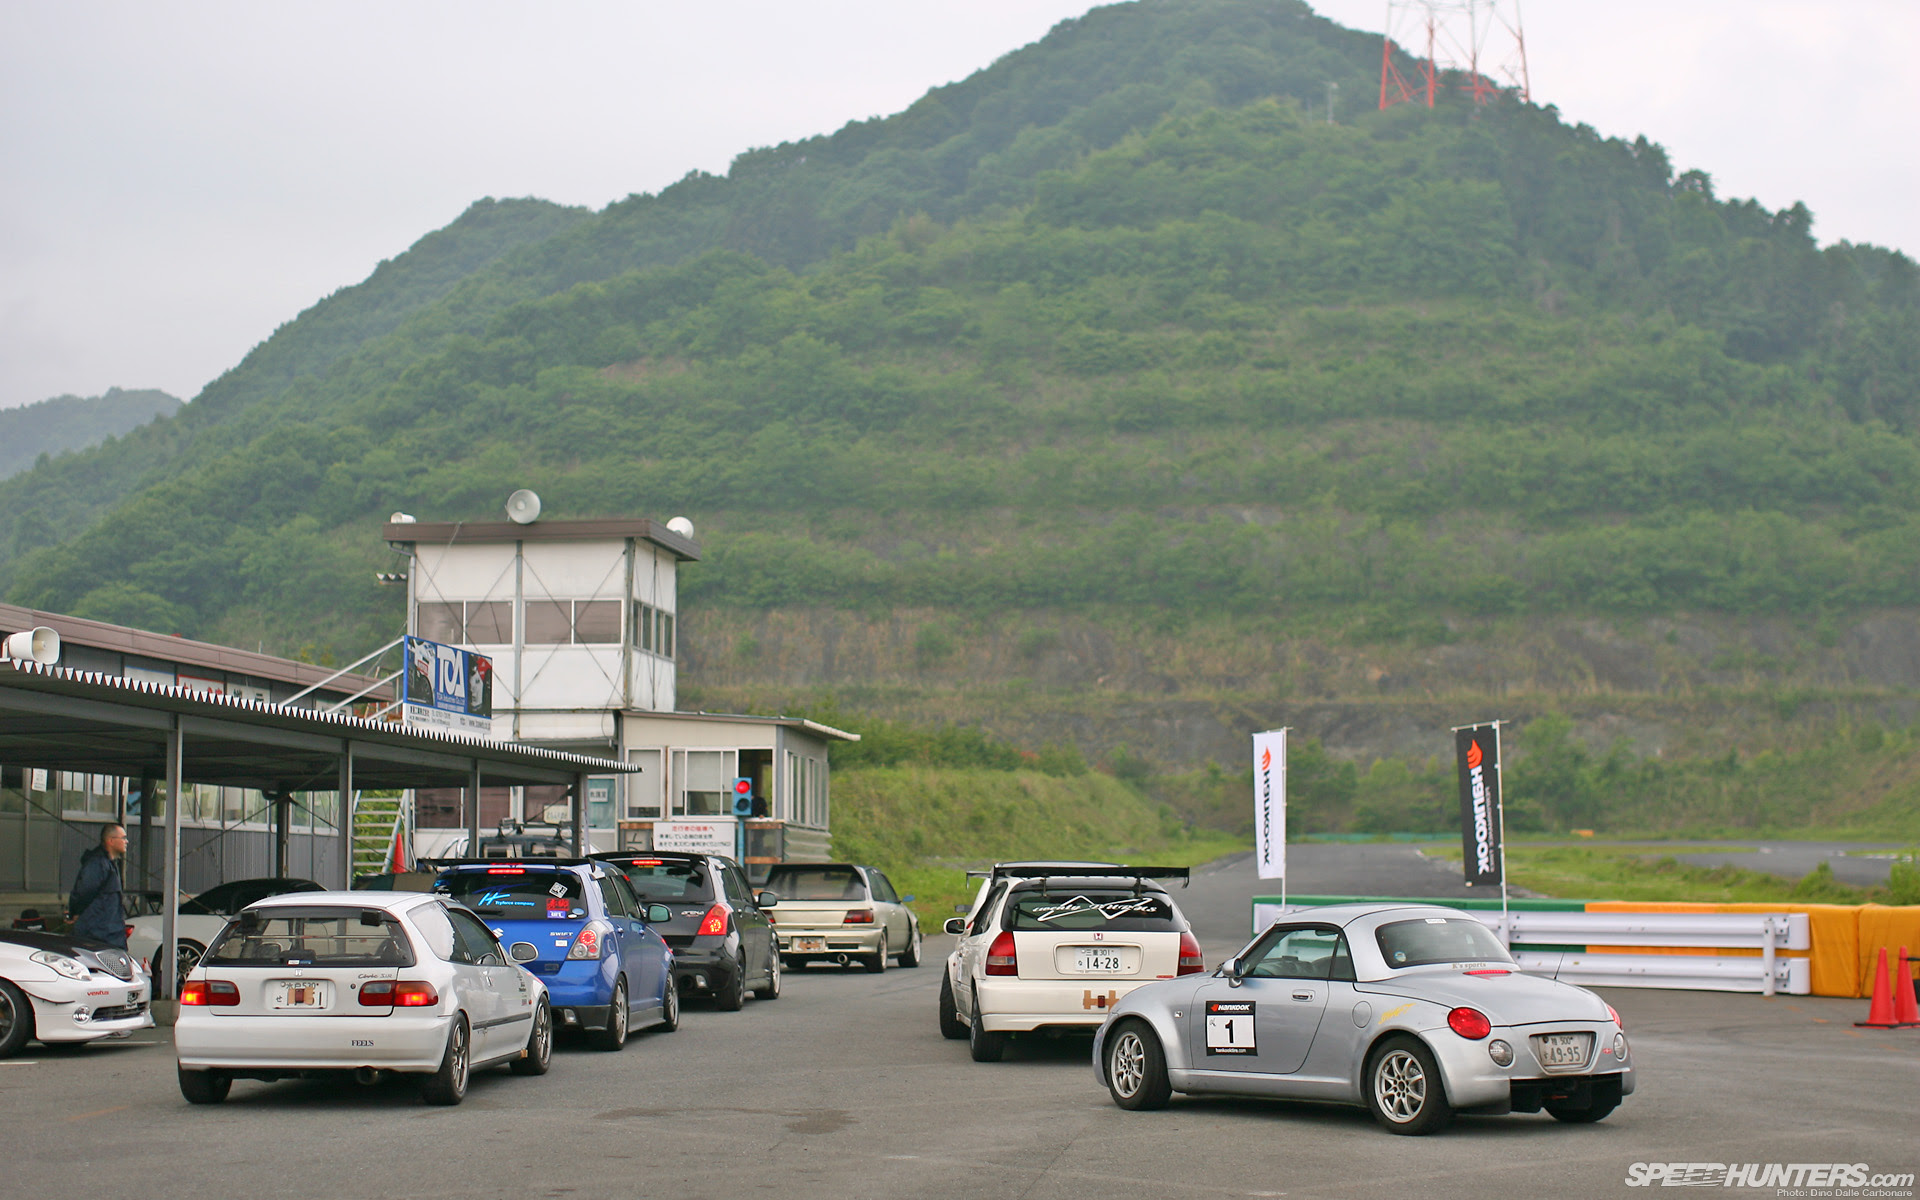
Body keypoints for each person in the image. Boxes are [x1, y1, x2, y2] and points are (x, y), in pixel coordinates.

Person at [67, 823, 129, 947]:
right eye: (123, 838)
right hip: (97, 936)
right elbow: (83, 892)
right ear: (111, 841)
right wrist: (74, 913)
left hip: (110, 935)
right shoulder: (97, 864)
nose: (126, 841)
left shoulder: (110, 865)